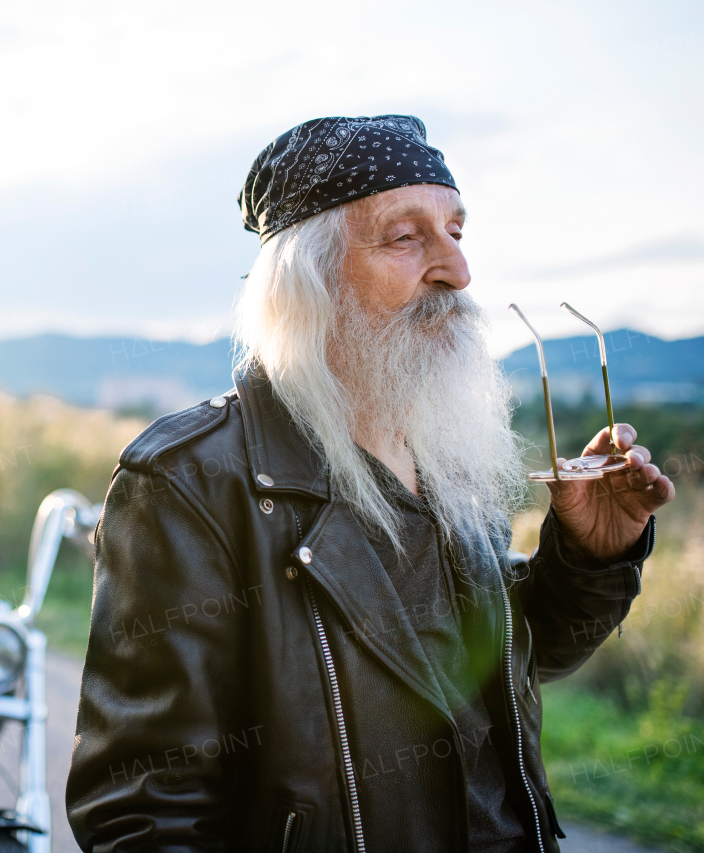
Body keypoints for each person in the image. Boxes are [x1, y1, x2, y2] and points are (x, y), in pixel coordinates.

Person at [65, 115, 672, 853]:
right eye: (406, 237)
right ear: (309, 281)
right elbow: (143, 812)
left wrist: (590, 556)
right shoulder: (189, 483)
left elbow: (497, 662)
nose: (457, 270)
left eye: (456, 231)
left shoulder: (448, 457)